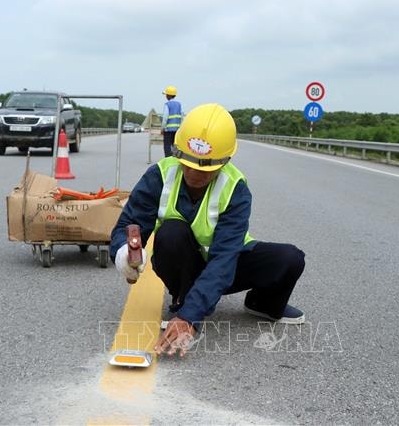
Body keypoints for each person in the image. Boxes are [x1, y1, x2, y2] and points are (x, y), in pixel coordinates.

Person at [111, 103, 306, 358]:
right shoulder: (161, 174)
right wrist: (125, 254)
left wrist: (190, 319)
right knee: (170, 232)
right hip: (183, 265)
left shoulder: (235, 188)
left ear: (225, 160)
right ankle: (182, 300)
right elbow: (129, 223)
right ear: (177, 150)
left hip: (226, 266)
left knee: (290, 259)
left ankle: (261, 304)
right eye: (187, 163)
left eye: (205, 168)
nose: (193, 173)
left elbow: (224, 259)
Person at [161, 85, 182, 157]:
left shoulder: (167, 104)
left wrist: (162, 129)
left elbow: (165, 118)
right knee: (175, 145)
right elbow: (181, 116)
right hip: (177, 130)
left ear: (168, 95)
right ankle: (175, 158)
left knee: (167, 145)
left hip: (168, 130)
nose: (165, 96)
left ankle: (167, 159)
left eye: (166, 94)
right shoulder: (179, 104)